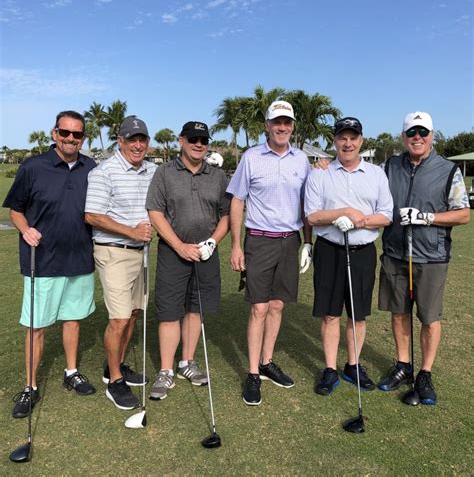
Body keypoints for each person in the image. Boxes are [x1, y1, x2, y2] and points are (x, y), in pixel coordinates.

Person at [3, 110, 97, 419]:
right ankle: (30, 386)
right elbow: (15, 209)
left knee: (73, 319)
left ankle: (71, 372)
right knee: (36, 326)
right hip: (42, 260)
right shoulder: (33, 167)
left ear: (83, 138)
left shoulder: (91, 168)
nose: (71, 138)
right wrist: (25, 229)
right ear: (55, 133)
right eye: (65, 132)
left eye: (77, 134)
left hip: (80, 258)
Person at [377, 111, 470, 404]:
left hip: (431, 256)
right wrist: (325, 166)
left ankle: (425, 373)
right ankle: (403, 365)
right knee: (398, 312)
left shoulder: (448, 170)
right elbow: (359, 178)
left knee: (429, 318)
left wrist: (426, 217)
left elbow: (463, 214)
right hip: (395, 253)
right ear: (403, 137)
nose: (417, 137)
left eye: (423, 132)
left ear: (432, 135)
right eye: (411, 132)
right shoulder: (389, 166)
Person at [227, 101, 313, 406]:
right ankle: (253, 372)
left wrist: (308, 242)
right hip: (259, 241)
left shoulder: (302, 159)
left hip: (290, 241)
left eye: (287, 122)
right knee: (259, 308)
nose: (282, 127)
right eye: (277, 122)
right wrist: (236, 245)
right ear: (267, 125)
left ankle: (267, 361)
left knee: (277, 305)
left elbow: (307, 203)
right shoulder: (251, 157)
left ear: (292, 126)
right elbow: (237, 201)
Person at [304, 117, 393, 396]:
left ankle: (353, 366)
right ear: (335, 141)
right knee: (330, 314)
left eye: (353, 138)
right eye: (342, 137)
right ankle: (330, 369)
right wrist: (340, 213)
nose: (348, 143)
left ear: (361, 141)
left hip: (363, 252)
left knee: (358, 315)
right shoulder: (320, 173)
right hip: (329, 250)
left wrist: (359, 221)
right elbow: (312, 216)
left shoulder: (376, 174)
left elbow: (386, 215)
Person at [146, 121, 230, 400]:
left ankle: (187, 362)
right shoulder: (165, 172)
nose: (199, 144)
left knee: (196, 309)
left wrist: (212, 242)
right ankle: (166, 370)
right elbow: (155, 212)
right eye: (193, 139)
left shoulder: (217, 176)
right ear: (181, 140)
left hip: (206, 253)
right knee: (170, 311)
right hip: (173, 252)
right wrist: (179, 246)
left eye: (203, 140)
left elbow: (227, 214)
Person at [85, 116, 157, 410]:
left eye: (142, 140)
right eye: (132, 140)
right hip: (113, 251)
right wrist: (132, 231)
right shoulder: (104, 172)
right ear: (120, 141)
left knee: (135, 312)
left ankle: (116, 365)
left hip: (141, 252)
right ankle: (115, 381)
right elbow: (92, 215)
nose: (138, 145)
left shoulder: (153, 170)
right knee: (119, 318)